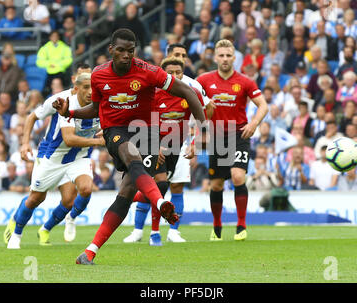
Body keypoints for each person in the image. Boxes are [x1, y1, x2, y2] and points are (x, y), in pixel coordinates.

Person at [52, 29, 206, 265]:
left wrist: (203, 125)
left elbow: (186, 90)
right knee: (131, 156)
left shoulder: (148, 71)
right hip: (116, 130)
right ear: (111, 50)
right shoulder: (98, 75)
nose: (126, 55)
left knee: (125, 194)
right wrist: (69, 112)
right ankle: (159, 202)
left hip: (147, 132)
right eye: (121, 50)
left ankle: (90, 251)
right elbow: (95, 108)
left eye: (131, 51)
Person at [3, 71, 104, 249]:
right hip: (52, 156)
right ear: (76, 87)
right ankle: (17, 232)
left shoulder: (101, 103)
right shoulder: (62, 102)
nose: (90, 92)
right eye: (86, 87)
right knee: (36, 199)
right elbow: (65, 136)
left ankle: (64, 221)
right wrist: (25, 143)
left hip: (79, 156)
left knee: (83, 191)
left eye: (93, 87)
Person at [124, 57, 210, 245]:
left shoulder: (190, 92)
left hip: (175, 147)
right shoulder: (153, 93)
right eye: (170, 73)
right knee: (161, 185)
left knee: (160, 188)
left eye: (178, 73)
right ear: (162, 74)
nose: (174, 76)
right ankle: (154, 233)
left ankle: (129, 196)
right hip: (151, 144)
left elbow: (203, 120)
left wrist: (195, 142)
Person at [197, 39, 268, 242]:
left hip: (239, 134)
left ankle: (241, 226)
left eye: (229, 55)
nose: (225, 59)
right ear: (215, 57)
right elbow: (190, 100)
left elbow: (263, 105)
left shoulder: (245, 81)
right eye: (221, 55)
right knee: (217, 184)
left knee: (238, 176)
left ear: (234, 58)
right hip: (217, 137)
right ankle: (217, 227)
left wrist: (253, 124)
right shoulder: (203, 80)